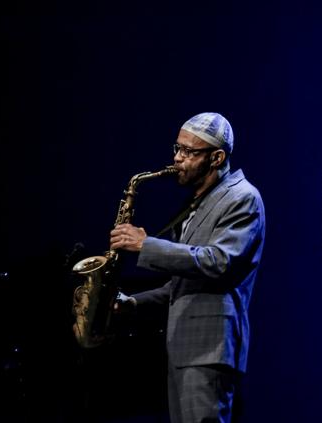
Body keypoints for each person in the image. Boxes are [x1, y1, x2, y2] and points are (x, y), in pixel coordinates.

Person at [111, 112, 266, 423]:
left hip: (210, 348)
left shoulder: (242, 197)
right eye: (177, 149)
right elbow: (180, 286)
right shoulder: (198, 202)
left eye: (189, 152)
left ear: (217, 157)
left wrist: (146, 245)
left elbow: (219, 261)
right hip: (185, 348)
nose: (177, 159)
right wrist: (131, 304)